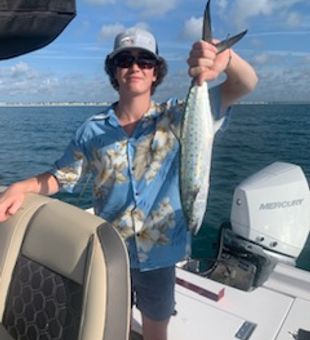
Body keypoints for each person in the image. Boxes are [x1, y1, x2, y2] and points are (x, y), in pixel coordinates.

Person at [0, 27, 258, 340]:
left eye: (145, 61)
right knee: (109, 325)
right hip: (110, 253)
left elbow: (245, 84)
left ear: (155, 73)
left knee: (155, 330)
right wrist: (20, 187)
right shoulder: (91, 130)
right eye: (125, 60)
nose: (135, 66)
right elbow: (61, 176)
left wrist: (223, 56)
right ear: (114, 71)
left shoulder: (180, 115)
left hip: (159, 260)